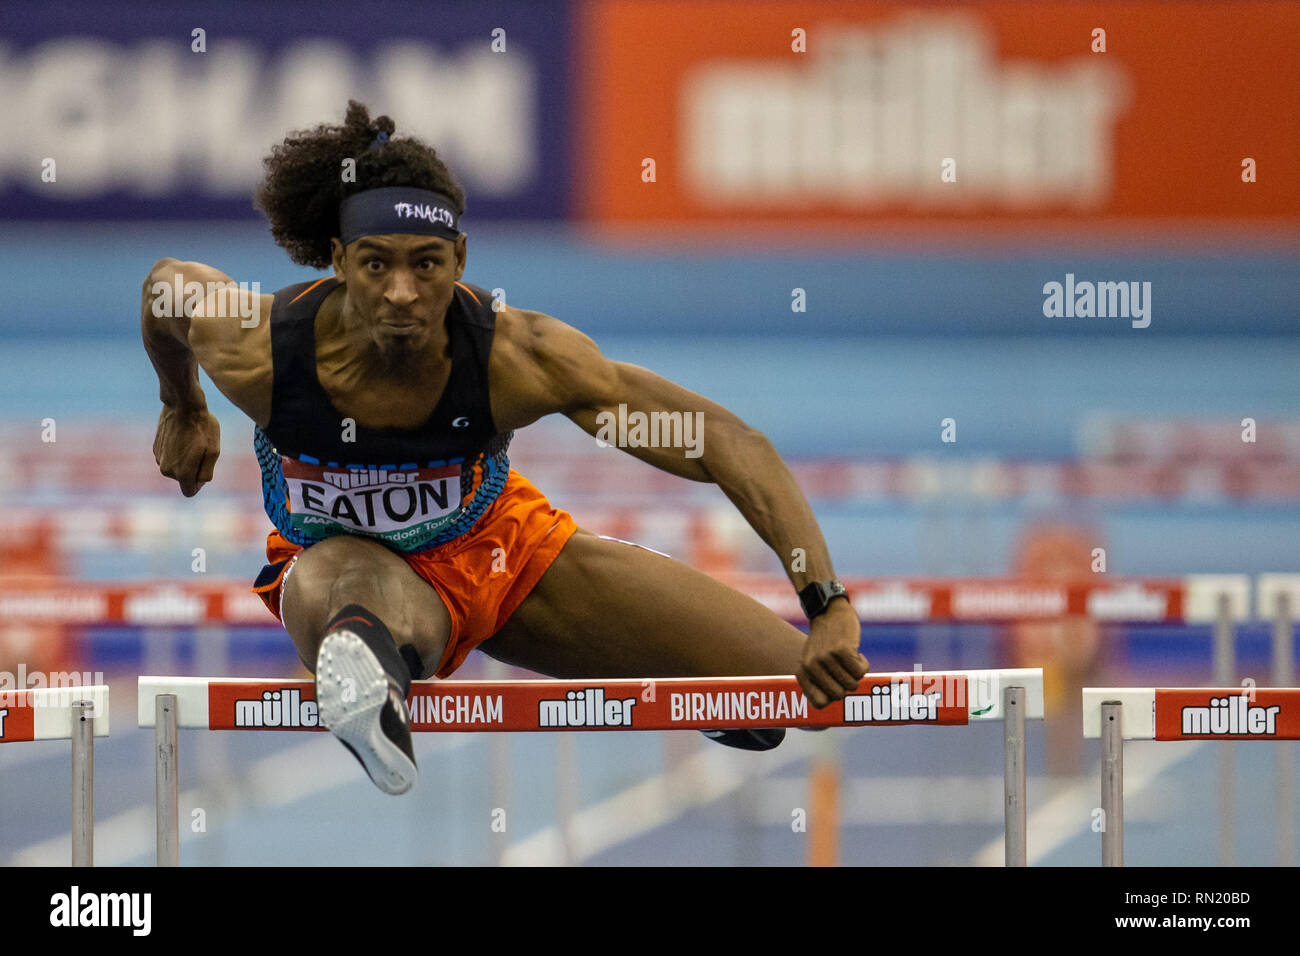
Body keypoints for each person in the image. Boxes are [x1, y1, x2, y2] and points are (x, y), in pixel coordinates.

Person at [141, 100, 866, 795]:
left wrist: (825, 601)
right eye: (375, 265)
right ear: (336, 260)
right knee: (350, 596)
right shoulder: (260, 346)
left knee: (778, 690)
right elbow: (163, 290)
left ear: (459, 259)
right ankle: (370, 685)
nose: (401, 293)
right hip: (338, 567)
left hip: (503, 552)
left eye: (426, 264)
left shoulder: (520, 357)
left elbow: (722, 442)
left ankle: (664, 670)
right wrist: (184, 405)